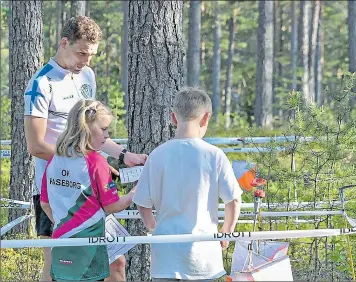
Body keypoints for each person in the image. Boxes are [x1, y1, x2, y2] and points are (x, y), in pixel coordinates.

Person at [24, 16, 146, 281]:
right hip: (58, 190)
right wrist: (81, 162)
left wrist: (124, 155)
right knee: (57, 267)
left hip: (93, 189)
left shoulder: (87, 75)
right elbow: (35, 145)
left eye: (91, 55)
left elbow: (94, 130)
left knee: (116, 263)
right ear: (64, 43)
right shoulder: (42, 83)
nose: (86, 61)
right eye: (82, 53)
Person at [133, 88, 242, 281]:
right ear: (205, 118)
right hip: (203, 256)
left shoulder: (157, 155)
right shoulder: (214, 155)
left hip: (165, 255)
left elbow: (142, 202)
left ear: (173, 118)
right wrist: (226, 233)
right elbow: (233, 200)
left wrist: (152, 226)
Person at [40, 99, 136, 281]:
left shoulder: (55, 159)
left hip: (62, 239)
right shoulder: (96, 161)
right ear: (87, 129)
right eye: (104, 129)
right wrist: (134, 193)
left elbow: (45, 203)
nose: (108, 136)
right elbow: (113, 206)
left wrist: (65, 224)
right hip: (90, 243)